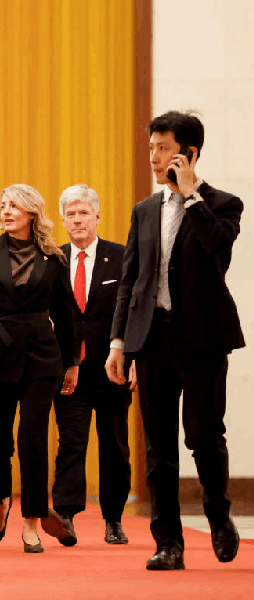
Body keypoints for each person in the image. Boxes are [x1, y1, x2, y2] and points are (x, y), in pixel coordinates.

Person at [105, 111, 244, 571]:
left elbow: (217, 250)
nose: (153, 156)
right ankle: (168, 542)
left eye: (163, 148)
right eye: (151, 148)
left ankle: (219, 518)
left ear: (189, 153)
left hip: (203, 340)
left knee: (204, 437)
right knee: (158, 446)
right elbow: (130, 280)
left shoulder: (223, 204)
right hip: (152, 339)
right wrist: (118, 343)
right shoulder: (145, 210)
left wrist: (191, 196)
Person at [0, 184, 79, 554]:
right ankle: (0, 503)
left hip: (42, 357)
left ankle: (31, 523)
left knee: (33, 438)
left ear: (31, 213)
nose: (6, 211)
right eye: (3, 205)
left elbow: (66, 315)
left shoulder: (54, 257)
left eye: (14, 206)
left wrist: (72, 363)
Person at [51, 185, 132, 546]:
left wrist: (133, 358)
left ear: (97, 216)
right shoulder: (53, 259)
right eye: (70, 214)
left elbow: (133, 311)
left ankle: (114, 519)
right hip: (68, 370)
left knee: (114, 445)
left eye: (84, 213)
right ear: (63, 220)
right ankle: (65, 515)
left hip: (112, 368)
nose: (77, 220)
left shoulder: (121, 256)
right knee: (71, 442)